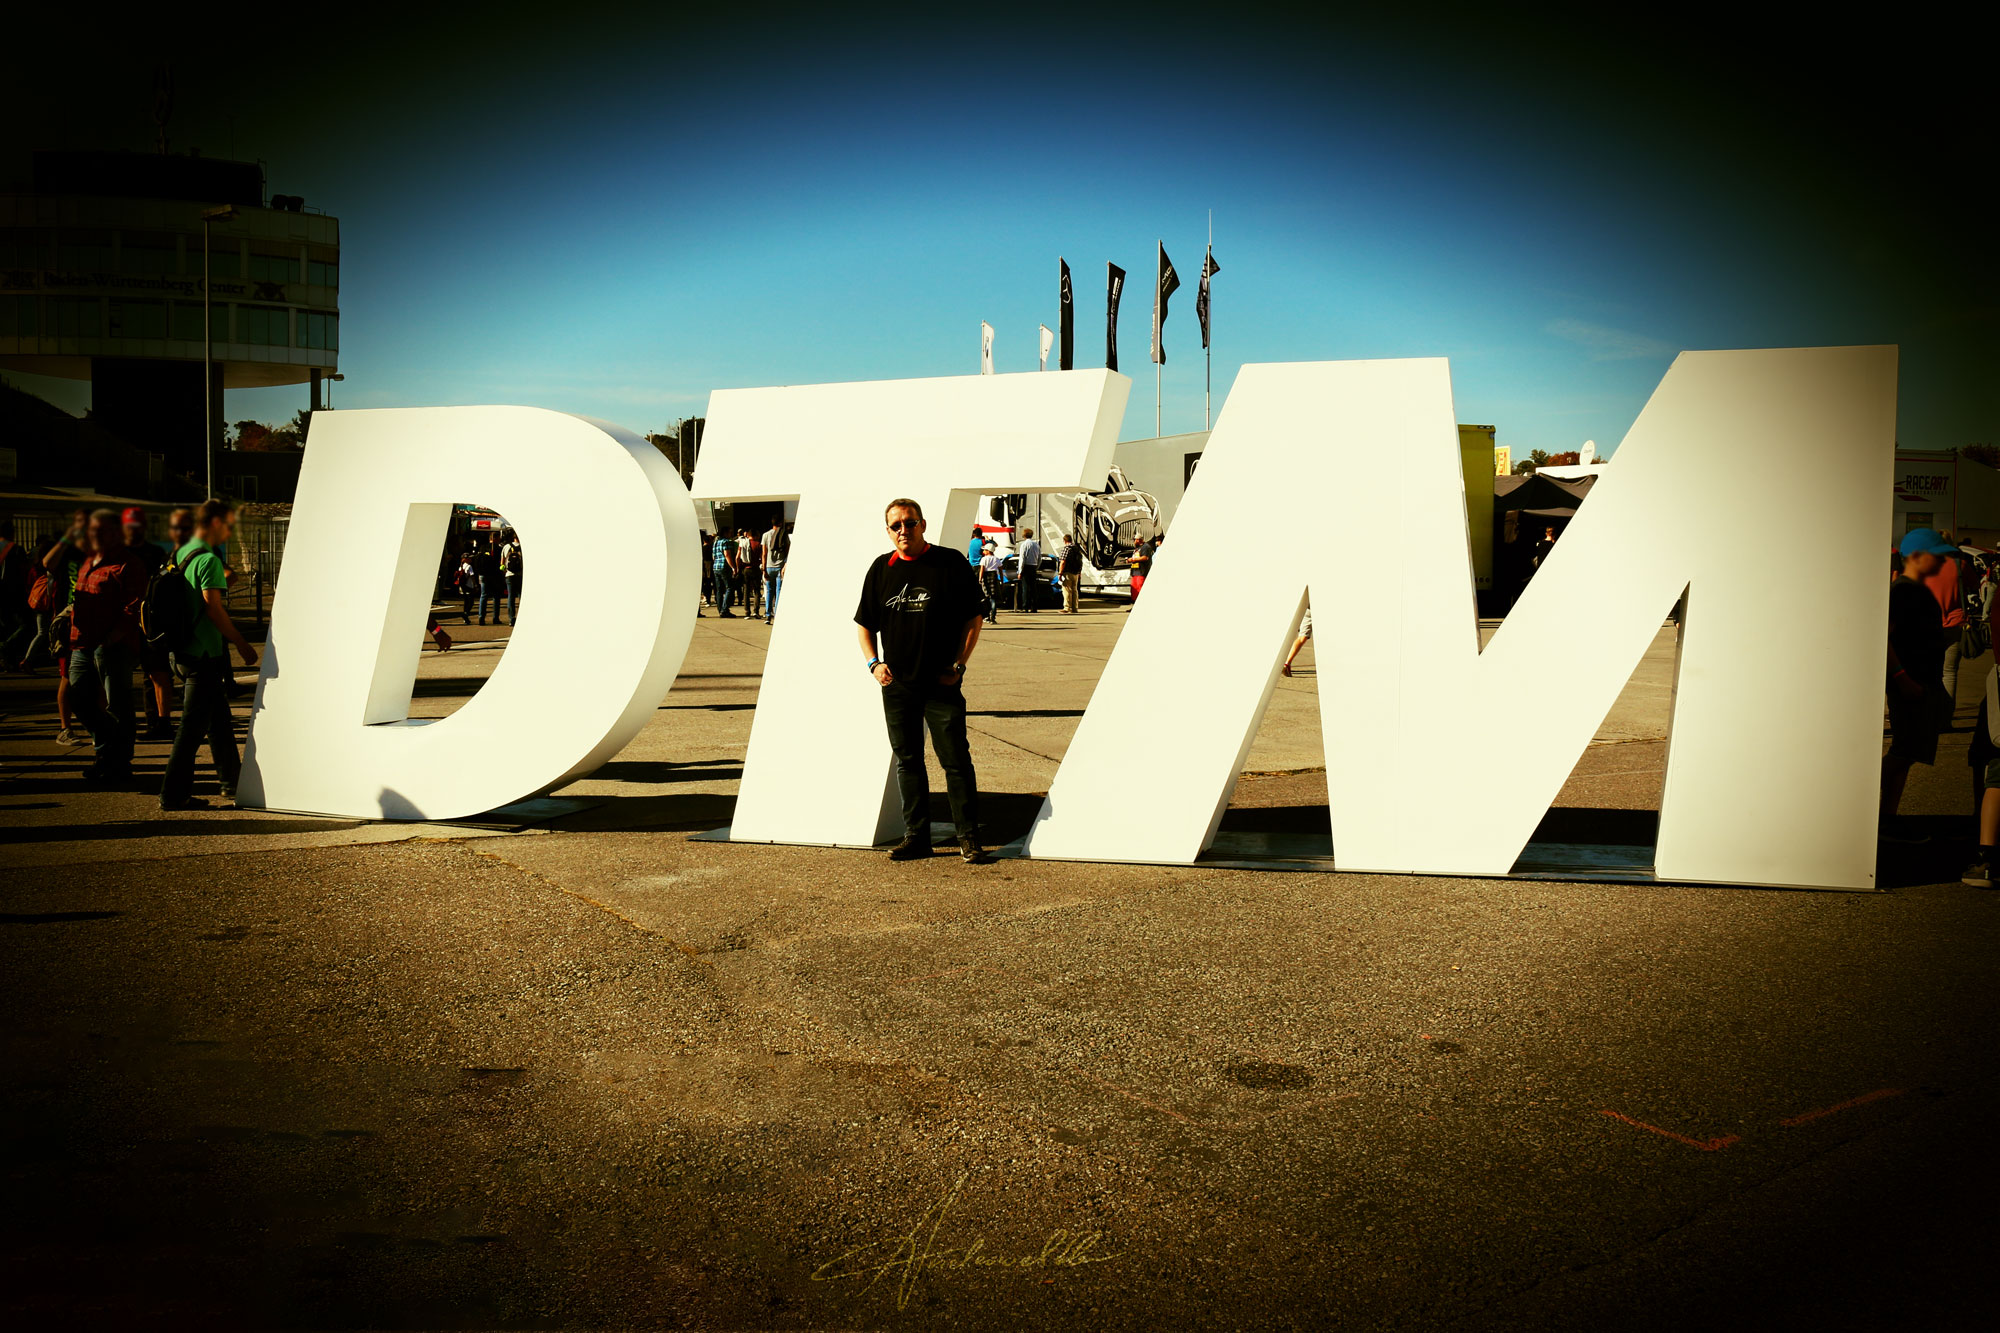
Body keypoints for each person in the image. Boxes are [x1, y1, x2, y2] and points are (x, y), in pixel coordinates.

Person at [855, 497, 987, 863]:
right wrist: (874, 664)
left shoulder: (950, 563)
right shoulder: (881, 569)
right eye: (896, 525)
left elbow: (973, 618)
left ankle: (968, 837)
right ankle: (917, 837)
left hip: (941, 684)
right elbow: (864, 624)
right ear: (888, 531)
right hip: (898, 686)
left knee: (955, 761)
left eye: (910, 523)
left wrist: (959, 664)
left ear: (923, 525)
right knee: (908, 761)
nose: (903, 530)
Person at [160, 499, 260, 811]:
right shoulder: (207, 560)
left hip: (180, 651)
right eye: (229, 526)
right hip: (202, 654)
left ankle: (231, 782)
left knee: (219, 721)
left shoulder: (180, 553)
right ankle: (173, 794)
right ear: (216, 523)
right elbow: (213, 608)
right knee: (191, 730)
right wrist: (241, 643)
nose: (229, 533)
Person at [65, 510, 151, 783]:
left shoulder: (128, 564)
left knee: (118, 704)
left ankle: (117, 763)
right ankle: (109, 747)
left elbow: (134, 607)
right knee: (77, 699)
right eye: (92, 530)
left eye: (101, 530)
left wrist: (111, 638)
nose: (94, 535)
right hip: (81, 644)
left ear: (116, 533)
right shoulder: (87, 561)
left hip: (113, 647)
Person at [1883, 528, 1957, 841]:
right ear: (1915, 556)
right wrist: (1903, 679)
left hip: (1921, 683)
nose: (1941, 563)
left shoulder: (1914, 590)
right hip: (1910, 685)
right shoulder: (1902, 591)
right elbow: (1884, 638)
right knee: (1904, 751)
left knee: (1908, 753)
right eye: (1936, 556)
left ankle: (1887, 819)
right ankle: (1871, 811)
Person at [34, 508, 90, 741]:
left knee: (96, 678)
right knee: (67, 676)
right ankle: (65, 728)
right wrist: (67, 537)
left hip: (94, 620)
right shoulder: (64, 551)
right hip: (68, 623)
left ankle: (98, 728)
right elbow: (47, 563)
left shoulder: (95, 551)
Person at [121, 507, 175, 740]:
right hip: (123, 622)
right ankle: (127, 723)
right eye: (130, 527)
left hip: (149, 623)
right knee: (119, 677)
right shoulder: (117, 552)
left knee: (155, 675)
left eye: (137, 526)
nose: (133, 531)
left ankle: (158, 723)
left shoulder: (155, 553)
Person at [1926, 539, 1966, 725]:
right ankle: (1944, 719)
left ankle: (1929, 716)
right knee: (1949, 672)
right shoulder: (1960, 565)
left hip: (1930, 625)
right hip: (1955, 624)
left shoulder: (1926, 566)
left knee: (1929, 672)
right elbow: (1974, 585)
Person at [0, 517, 34, 669]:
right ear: (12, 532)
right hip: (13, 593)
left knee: (6, 626)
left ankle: (8, 660)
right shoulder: (15, 549)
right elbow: (23, 570)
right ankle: (6, 647)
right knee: (25, 625)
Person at [762, 517, 786, 624]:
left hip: (769, 566)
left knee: (769, 591)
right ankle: (777, 614)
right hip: (780, 566)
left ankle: (768, 615)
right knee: (779, 591)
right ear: (780, 523)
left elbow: (764, 553)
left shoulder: (765, 535)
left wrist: (764, 569)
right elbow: (787, 551)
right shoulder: (783, 535)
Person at [1014, 527, 1042, 613]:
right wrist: (1036, 567)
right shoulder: (1036, 545)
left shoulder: (1024, 545)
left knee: (1025, 588)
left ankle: (1025, 606)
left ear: (1024, 535)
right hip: (1033, 567)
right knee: (1033, 588)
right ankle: (1034, 607)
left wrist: (1020, 571)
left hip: (1026, 567)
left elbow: (1022, 558)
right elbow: (1040, 558)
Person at [499, 529, 523, 624]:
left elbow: (502, 563)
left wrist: (504, 572)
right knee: (521, 596)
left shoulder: (506, 547)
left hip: (509, 575)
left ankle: (511, 618)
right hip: (521, 575)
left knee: (511, 596)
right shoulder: (522, 547)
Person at [712, 527, 737, 617]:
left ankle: (720, 609)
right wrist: (733, 567)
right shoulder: (726, 542)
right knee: (729, 587)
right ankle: (725, 609)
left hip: (716, 567)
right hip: (724, 567)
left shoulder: (715, 542)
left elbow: (713, 556)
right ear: (725, 533)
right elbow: (727, 555)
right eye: (730, 532)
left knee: (719, 589)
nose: (731, 534)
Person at [1281, 607, 1313, 677]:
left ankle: (1286, 664)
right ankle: (1286, 663)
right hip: (1310, 611)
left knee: (1302, 637)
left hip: (1307, 610)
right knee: (1302, 637)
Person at [1057, 532, 1083, 613]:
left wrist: (1060, 573)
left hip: (1067, 572)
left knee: (1067, 590)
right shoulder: (1077, 549)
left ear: (1064, 541)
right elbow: (1080, 561)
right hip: (1076, 572)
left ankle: (1067, 608)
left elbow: (1063, 562)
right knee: (1074, 590)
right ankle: (1075, 608)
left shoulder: (1066, 548)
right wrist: (1079, 572)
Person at [979, 543, 1003, 624]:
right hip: (994, 577)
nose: (983, 552)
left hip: (986, 577)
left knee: (986, 597)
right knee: (993, 597)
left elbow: (982, 570)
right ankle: (993, 616)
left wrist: (980, 579)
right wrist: (1002, 580)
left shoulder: (983, 559)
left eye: (984, 550)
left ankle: (987, 616)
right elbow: (1000, 570)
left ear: (988, 551)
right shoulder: (997, 559)